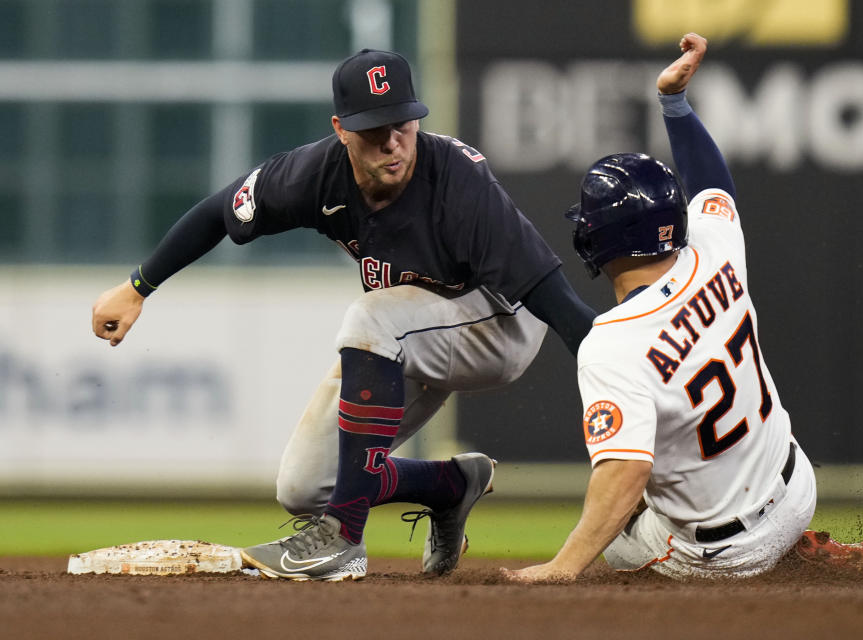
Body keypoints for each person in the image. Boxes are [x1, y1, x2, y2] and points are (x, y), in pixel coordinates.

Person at [91, 49, 595, 581]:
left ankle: (343, 539)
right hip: (416, 331)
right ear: (341, 129)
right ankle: (450, 486)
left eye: (402, 123)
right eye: (374, 128)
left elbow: (558, 302)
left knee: (372, 318)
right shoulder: (314, 175)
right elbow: (223, 208)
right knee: (304, 487)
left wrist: (632, 386)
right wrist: (138, 286)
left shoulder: (458, 181)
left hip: (501, 325)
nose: (392, 141)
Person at [502, 33, 818, 582]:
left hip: (727, 553)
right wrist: (675, 104)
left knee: (619, 538)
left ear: (598, 242)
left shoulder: (612, 344)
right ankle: (801, 542)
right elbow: (713, 183)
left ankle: (752, 561)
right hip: (797, 489)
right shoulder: (715, 249)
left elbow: (625, 471)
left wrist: (563, 566)